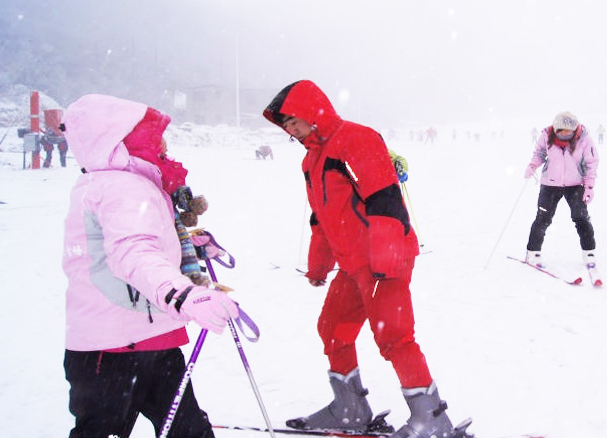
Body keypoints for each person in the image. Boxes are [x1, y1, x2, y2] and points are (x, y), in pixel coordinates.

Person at [263, 80, 466, 438]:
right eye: (286, 126)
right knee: (332, 329)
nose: (291, 130)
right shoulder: (311, 160)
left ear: (311, 112)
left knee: (395, 338)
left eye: (293, 121)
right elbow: (321, 218)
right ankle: (349, 409)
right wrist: (319, 266)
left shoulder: (357, 139)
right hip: (354, 265)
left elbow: (384, 199)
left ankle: (432, 420)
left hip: (384, 259)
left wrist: (385, 262)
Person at [60, 94, 238, 438]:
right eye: (151, 136)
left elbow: (145, 241)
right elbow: (132, 252)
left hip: (150, 338)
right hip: (112, 350)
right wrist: (184, 294)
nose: (162, 146)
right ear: (119, 140)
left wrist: (187, 244)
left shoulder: (132, 184)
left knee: (188, 430)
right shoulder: (119, 187)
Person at [523, 111, 598, 267]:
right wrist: (532, 165)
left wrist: (589, 187)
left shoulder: (584, 140)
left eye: (569, 131)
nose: (566, 134)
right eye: (562, 131)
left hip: (575, 185)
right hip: (550, 184)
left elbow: (590, 164)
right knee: (543, 218)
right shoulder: (546, 136)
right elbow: (539, 153)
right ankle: (533, 252)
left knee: (581, 218)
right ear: (555, 129)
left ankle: (589, 252)